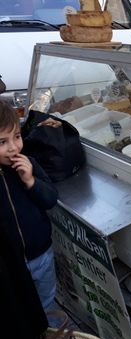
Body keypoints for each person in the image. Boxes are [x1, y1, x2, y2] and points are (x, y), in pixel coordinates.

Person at [0, 100, 59, 315]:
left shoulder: (29, 164)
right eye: (2, 142)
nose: (13, 147)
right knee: (22, 312)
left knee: (46, 305)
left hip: (42, 254)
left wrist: (31, 181)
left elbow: (50, 199)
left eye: (16, 136)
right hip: (10, 265)